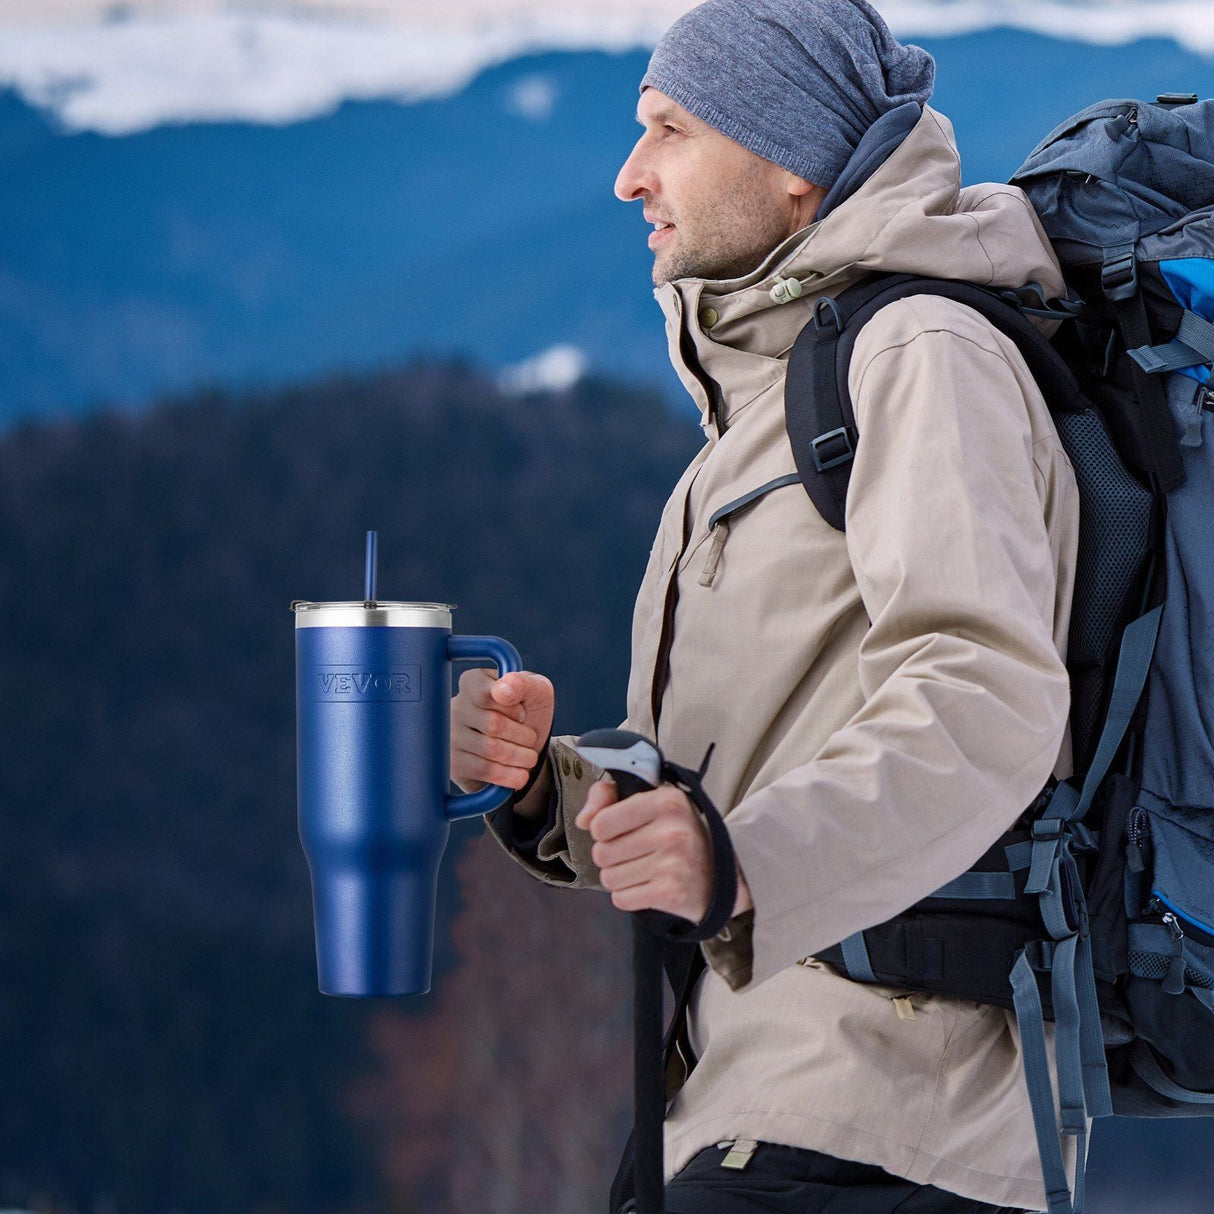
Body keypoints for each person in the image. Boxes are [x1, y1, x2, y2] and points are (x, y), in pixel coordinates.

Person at [451, 1, 1080, 1210]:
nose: (630, 175)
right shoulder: (756, 410)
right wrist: (551, 788)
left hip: (878, 1112)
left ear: (788, 163)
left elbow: (988, 695)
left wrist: (743, 863)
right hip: (737, 1100)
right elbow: (736, 787)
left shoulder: (916, 354)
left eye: (669, 130)